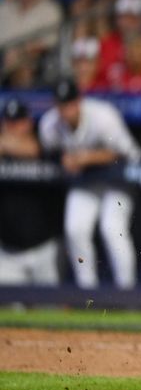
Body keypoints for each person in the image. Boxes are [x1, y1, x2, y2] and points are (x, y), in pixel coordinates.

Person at [38, 80, 141, 289]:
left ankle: (127, 293)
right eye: (61, 104)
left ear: (79, 101)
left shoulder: (103, 116)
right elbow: (49, 153)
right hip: (86, 183)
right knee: (75, 228)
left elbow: (132, 155)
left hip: (116, 182)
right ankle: (88, 295)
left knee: (111, 228)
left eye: (70, 103)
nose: (66, 110)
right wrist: (63, 160)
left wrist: (89, 158)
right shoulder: (49, 124)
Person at [0, 98, 59, 287]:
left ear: (29, 123)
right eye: (9, 122)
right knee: (9, 315)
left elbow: (36, 150)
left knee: (53, 312)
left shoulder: (45, 142)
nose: (14, 127)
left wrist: (6, 144)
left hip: (45, 249)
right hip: (8, 254)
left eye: (18, 122)